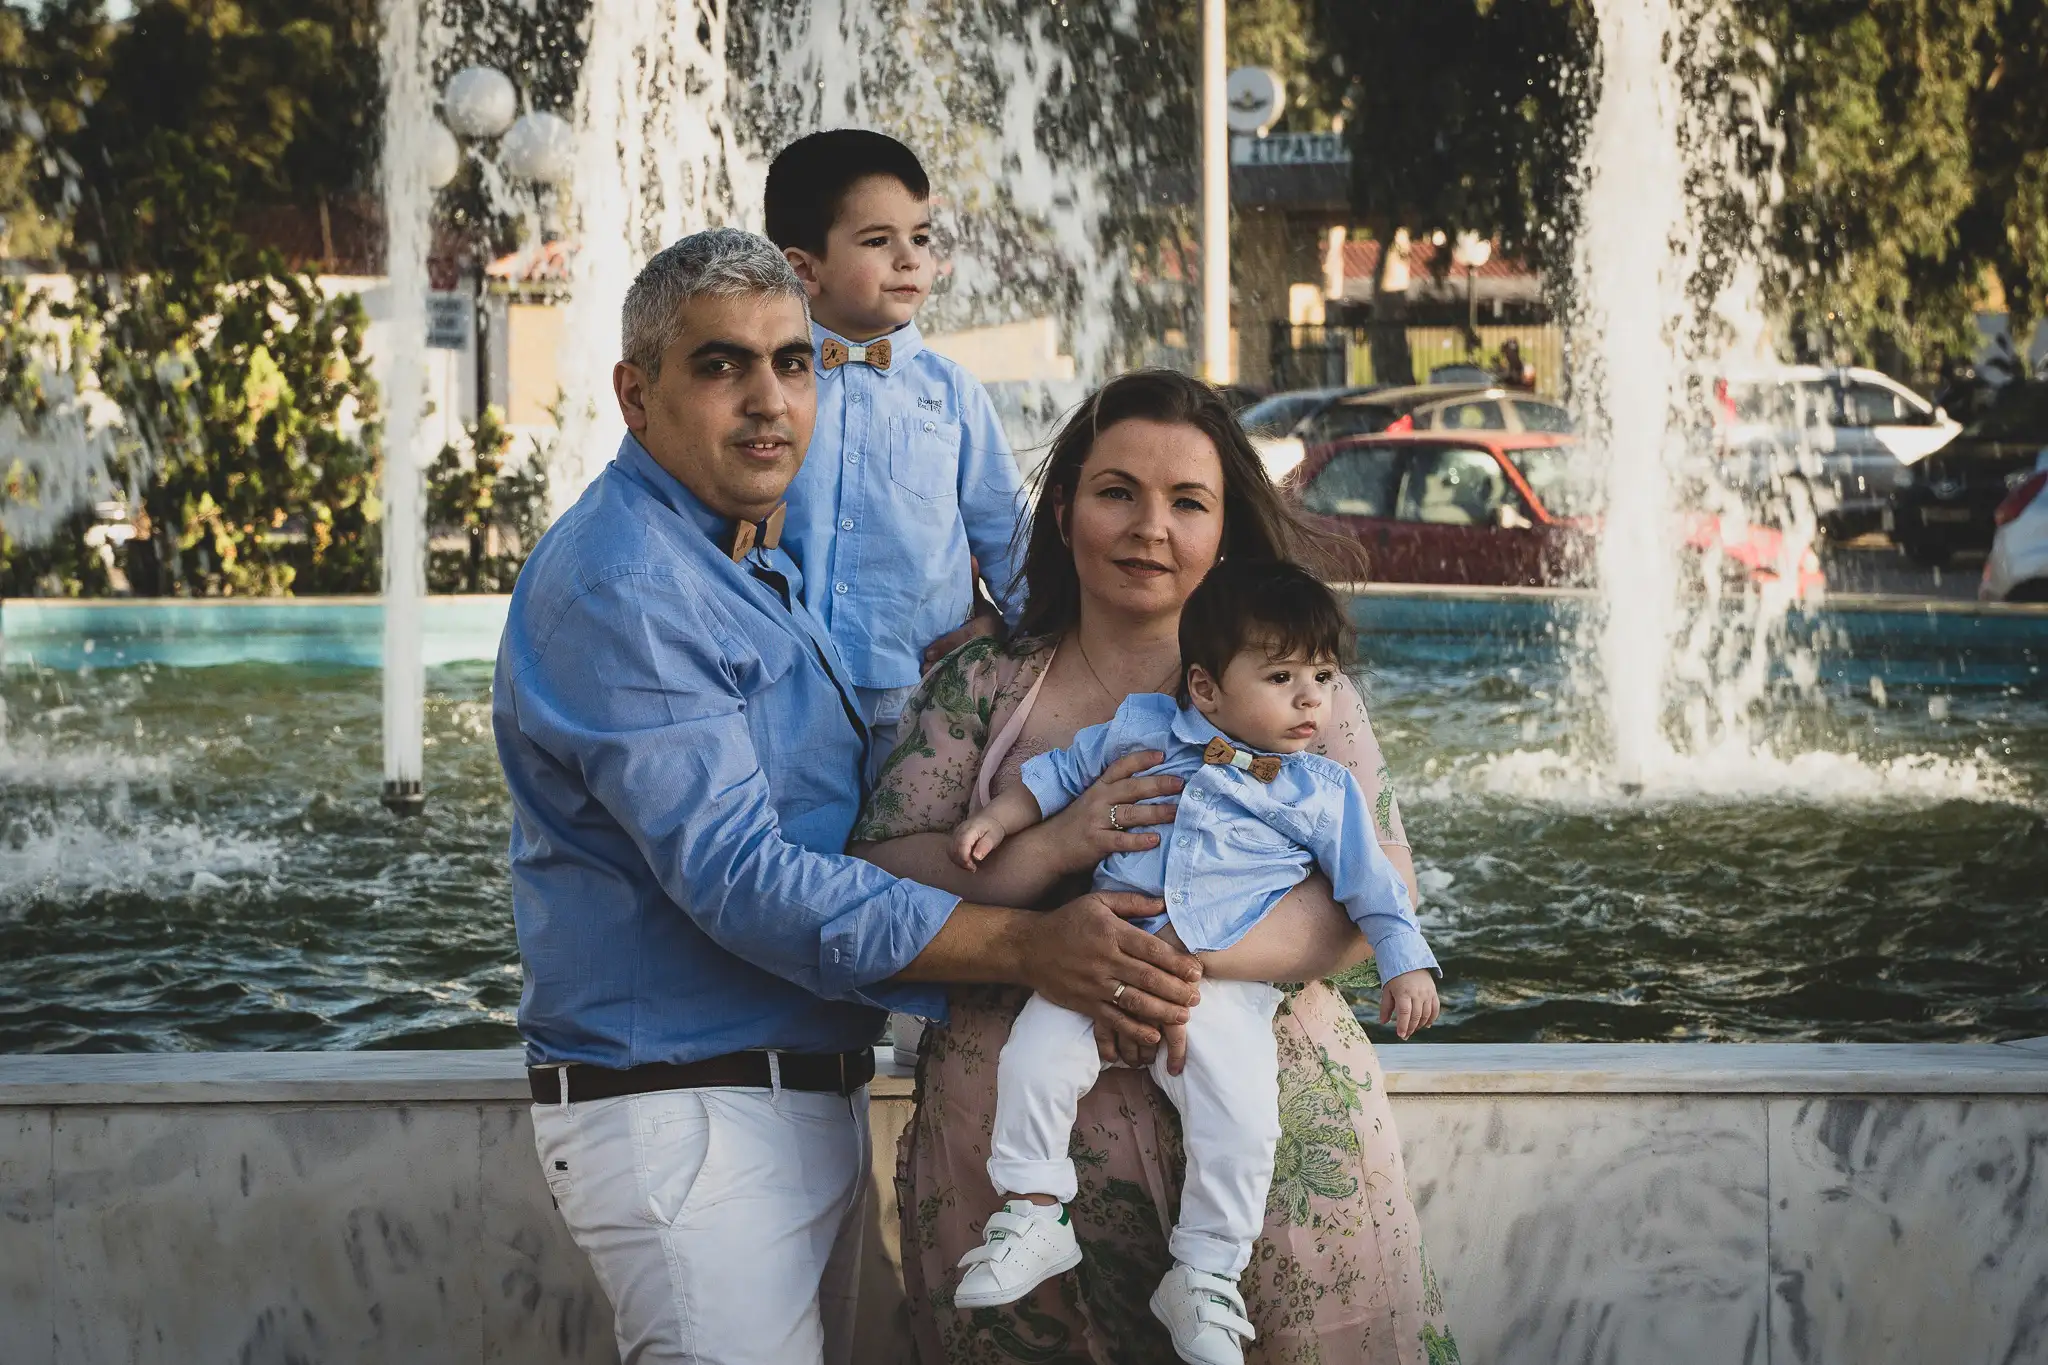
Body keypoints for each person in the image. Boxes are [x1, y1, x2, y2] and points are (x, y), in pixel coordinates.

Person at [492, 229, 1202, 1365]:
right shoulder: (631, 583)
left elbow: (839, 822)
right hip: (689, 1115)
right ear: (635, 395)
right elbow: (743, 878)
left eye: (792, 362)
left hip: (780, 1095)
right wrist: (1027, 946)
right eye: (720, 365)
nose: (768, 399)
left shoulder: (737, 560)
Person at [852, 369, 1462, 1365]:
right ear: (1063, 511)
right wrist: (1051, 854)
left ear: (1225, 530)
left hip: (1271, 1152)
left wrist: (1164, 963)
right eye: (1116, 492)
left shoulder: (1302, 695)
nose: (1150, 527)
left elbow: (1375, 887)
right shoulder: (981, 684)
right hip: (1006, 1171)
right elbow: (878, 877)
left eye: (1187, 502)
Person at [947, 558, 1442, 1365]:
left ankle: (1207, 1270)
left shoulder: (1319, 790)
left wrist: (1405, 963)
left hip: (1225, 989)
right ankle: (1034, 1207)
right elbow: (1057, 774)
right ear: (1206, 688)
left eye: (1322, 676)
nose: (1311, 699)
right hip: (1108, 954)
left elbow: (1372, 885)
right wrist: (1000, 819)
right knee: (1033, 1056)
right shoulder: (1143, 729)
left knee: (1242, 1116)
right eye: (1281, 677)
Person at [766, 129, 1030, 765]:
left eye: (921, 237)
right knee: (803, 823)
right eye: (878, 241)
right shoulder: (770, 387)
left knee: (916, 828)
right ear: (804, 268)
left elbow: (1007, 533)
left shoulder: (954, 395)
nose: (910, 259)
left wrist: (1020, 630)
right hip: (787, 687)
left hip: (923, 695)